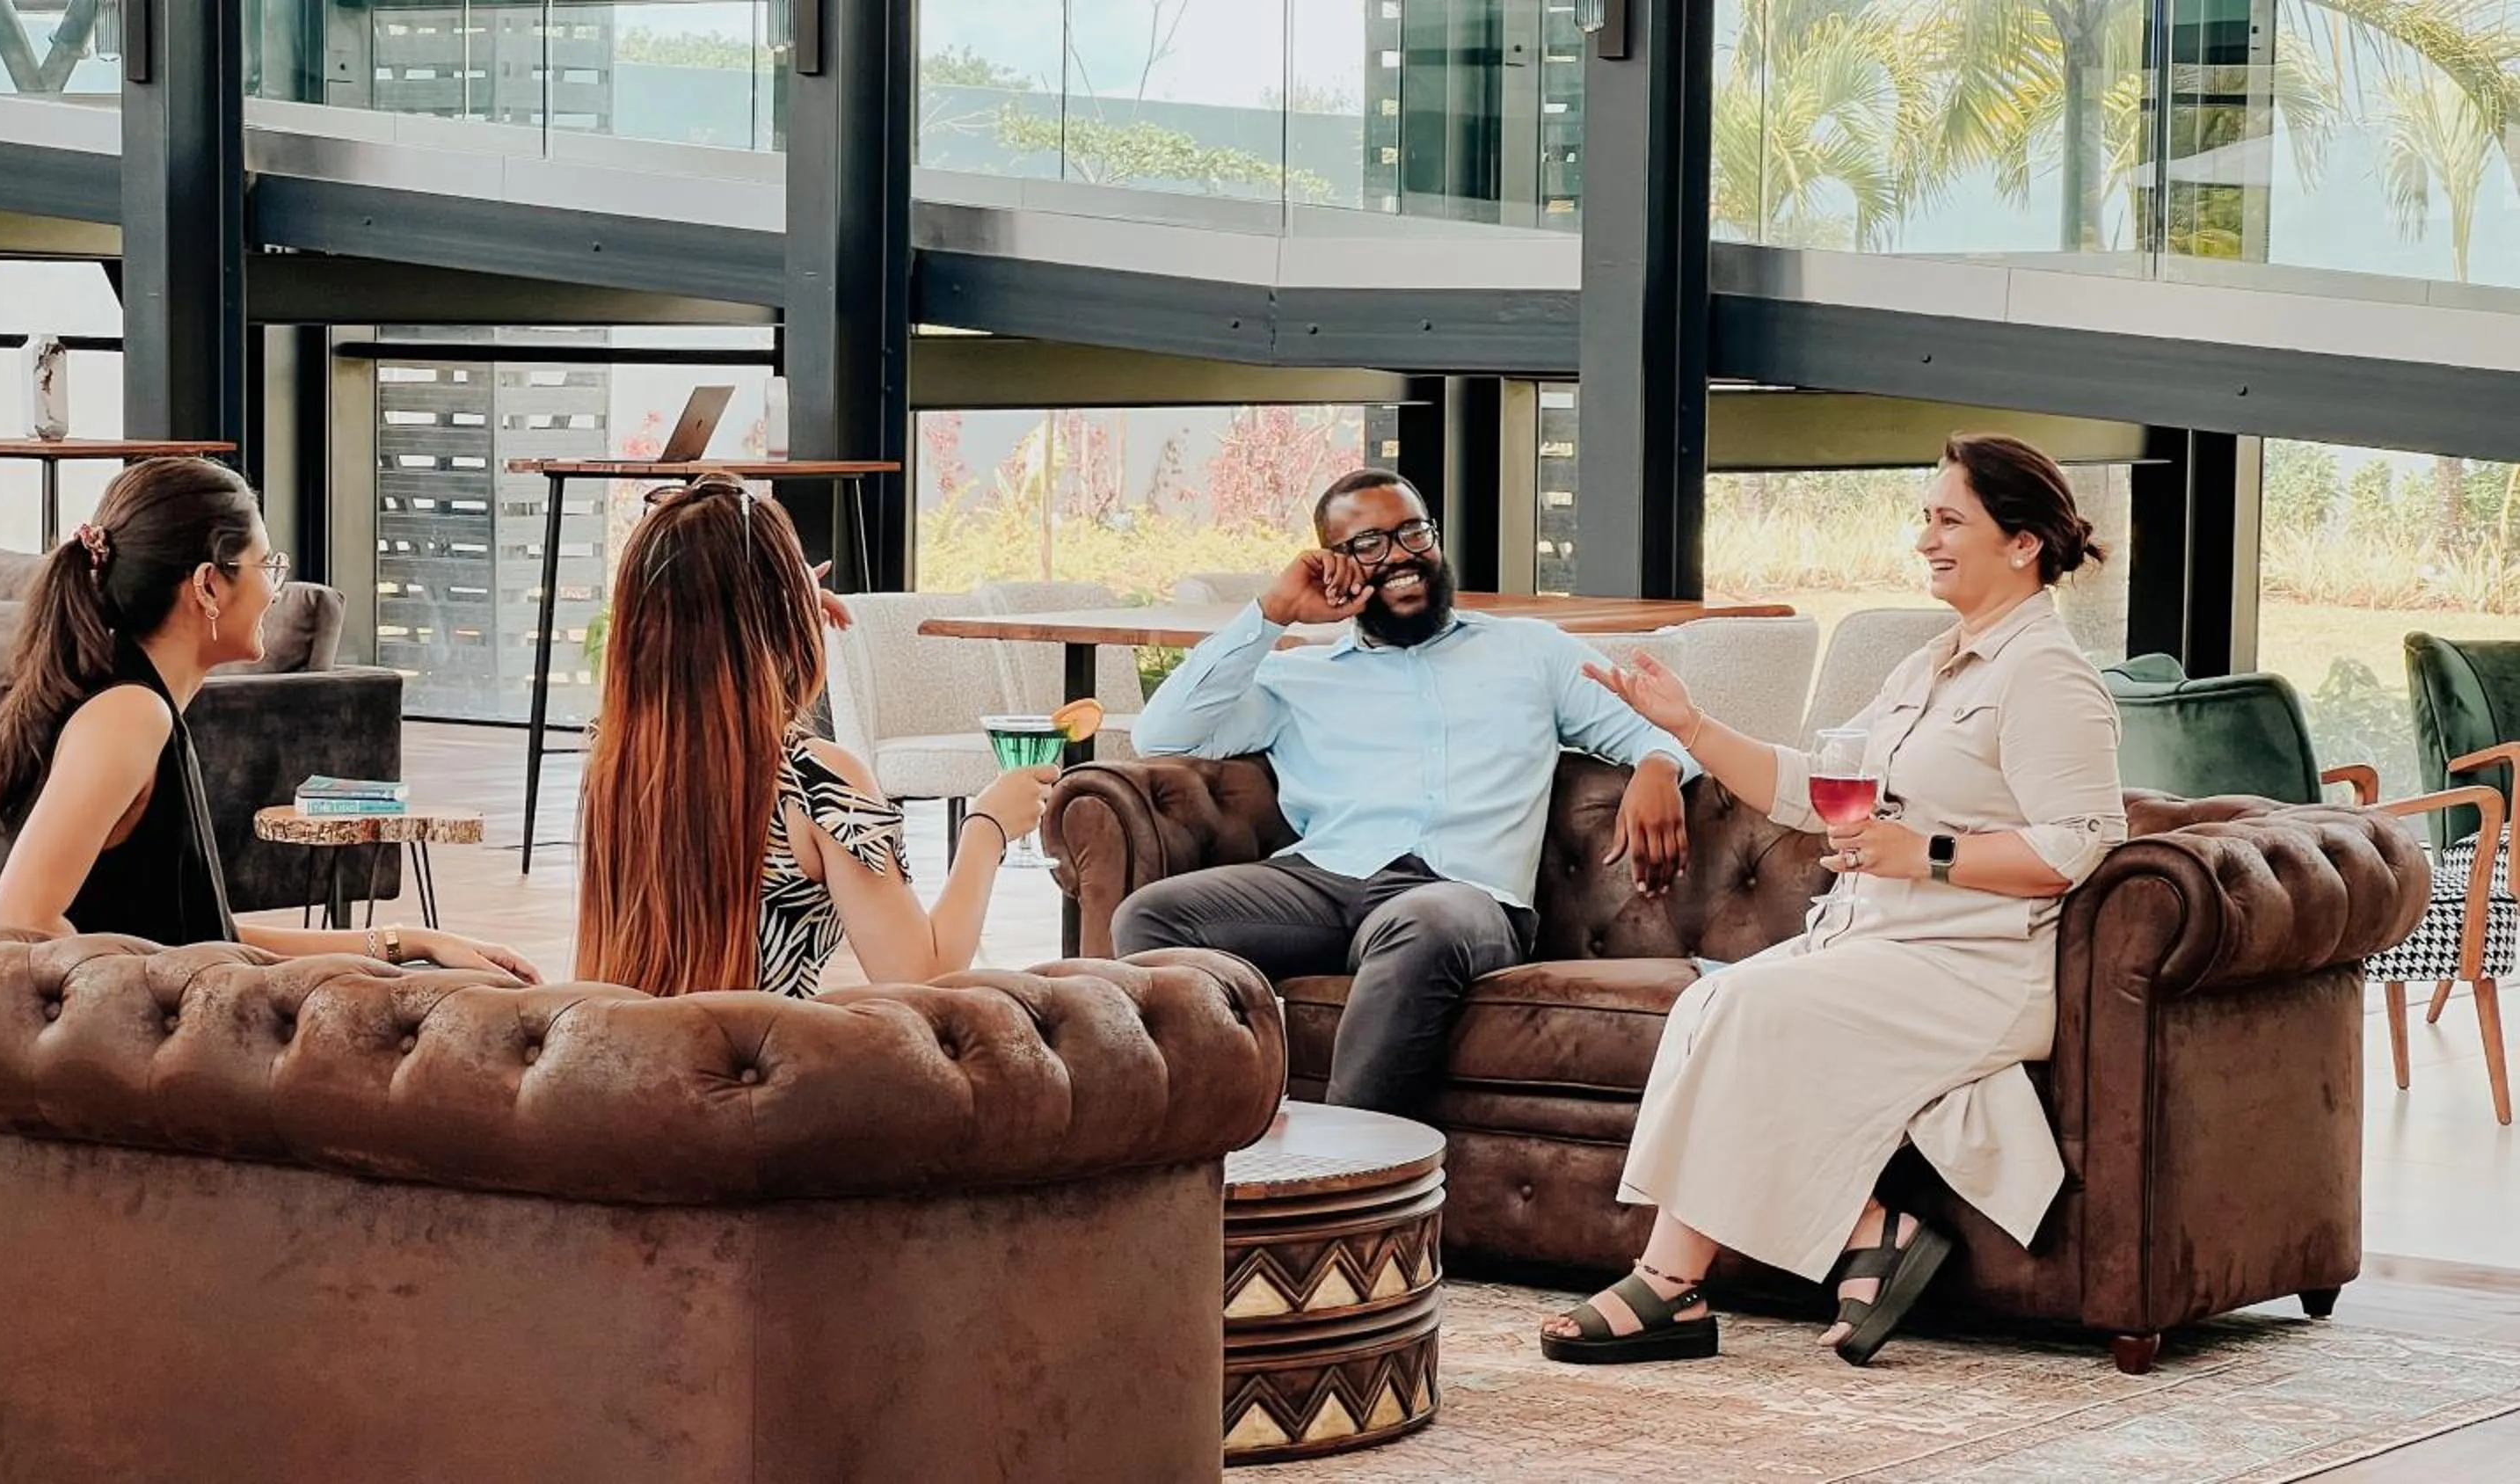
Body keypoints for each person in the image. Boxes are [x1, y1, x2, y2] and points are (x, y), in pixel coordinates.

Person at [1538, 433, 2127, 1368]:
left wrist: (1924, 852)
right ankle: (1867, 1226)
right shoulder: (1927, 667)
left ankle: (1671, 1281)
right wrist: (1688, 726)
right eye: (1924, 519)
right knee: (1708, 1004)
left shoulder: (2048, 674)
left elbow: (2081, 843)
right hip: (1872, 946)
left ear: (2021, 543)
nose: (1925, 539)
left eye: (1948, 520)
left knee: (1742, 1003)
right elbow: (1818, 787)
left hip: (1967, 968)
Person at [1113, 468, 1700, 1116]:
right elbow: (1162, 735)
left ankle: (1343, 1170)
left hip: (1461, 897)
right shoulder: (1294, 676)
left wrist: (1657, 768)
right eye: (1368, 544)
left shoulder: (1529, 651)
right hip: (1323, 884)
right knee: (1151, 916)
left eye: (1412, 531)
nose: (1398, 555)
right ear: (1332, 565)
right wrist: (1271, 615)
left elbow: (1664, 728)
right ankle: (1213, 1136)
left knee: (1424, 924)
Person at [0, 457, 539, 981]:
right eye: (267, 565)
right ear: (208, 585)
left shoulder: (121, 697)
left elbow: (203, 939)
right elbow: (19, 930)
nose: (273, 589)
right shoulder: (129, 712)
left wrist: (408, 941)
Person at [573, 473, 1054, 998]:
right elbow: (922, 976)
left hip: (624, 1061)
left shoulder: (613, 762)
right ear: (781, 622)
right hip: (757, 1070)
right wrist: (987, 828)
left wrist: (781, 610)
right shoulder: (814, 778)